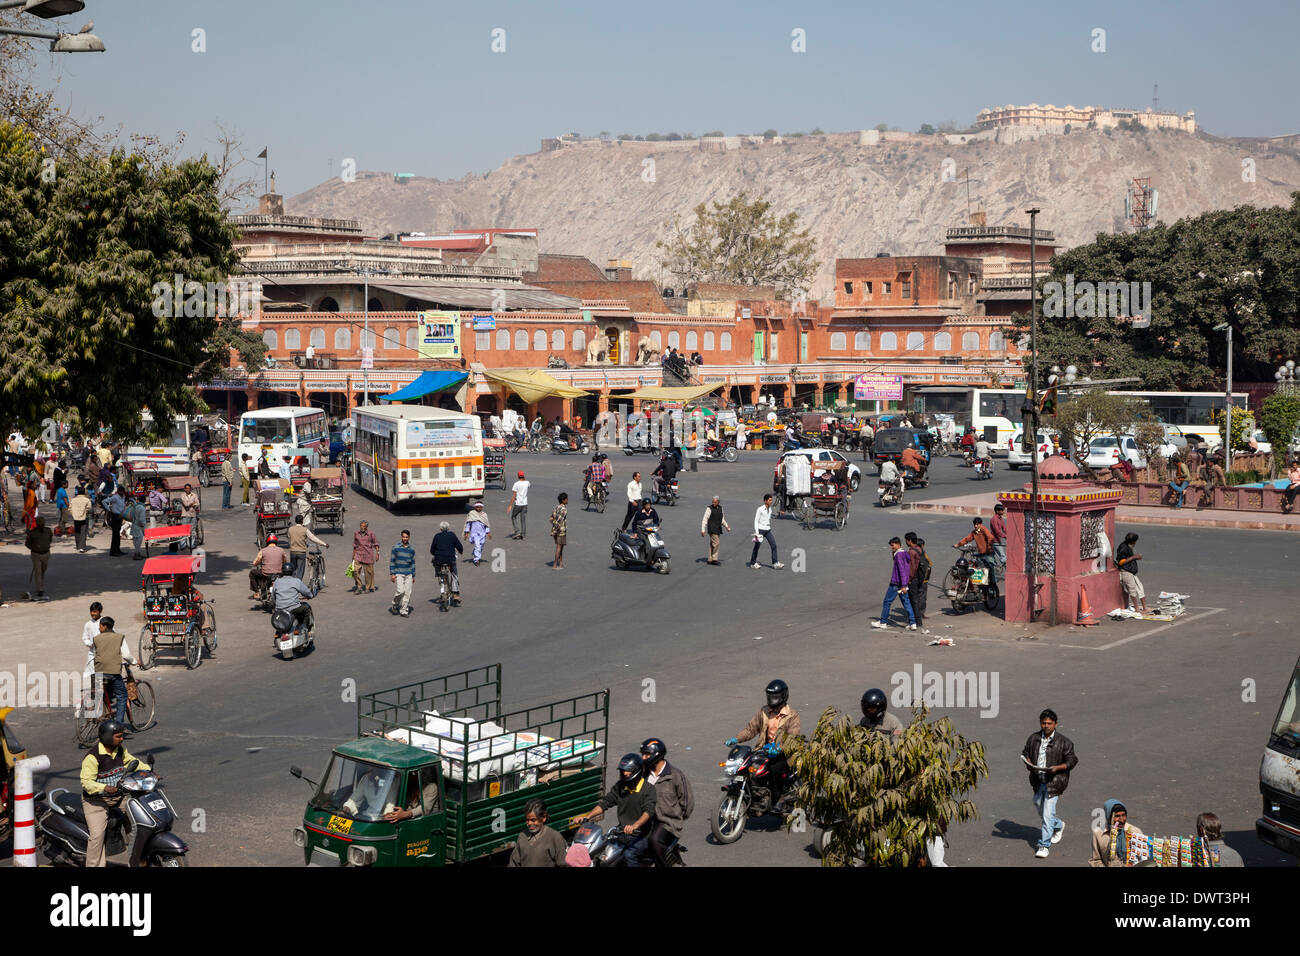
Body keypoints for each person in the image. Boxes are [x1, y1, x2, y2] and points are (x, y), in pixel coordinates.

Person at [80, 720, 150, 867]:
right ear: (107, 737)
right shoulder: (93, 757)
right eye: (118, 736)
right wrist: (105, 788)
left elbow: (134, 762)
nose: (122, 739)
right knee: (97, 836)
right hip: (96, 802)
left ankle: (139, 860)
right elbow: (86, 782)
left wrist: (149, 772)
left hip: (119, 797)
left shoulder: (120, 750)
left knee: (137, 823)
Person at [573, 754, 657, 867]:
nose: (625, 773)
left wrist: (635, 826)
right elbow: (605, 803)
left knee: (629, 855)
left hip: (641, 834)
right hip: (621, 832)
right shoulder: (621, 786)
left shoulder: (648, 789)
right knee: (601, 853)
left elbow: (648, 811)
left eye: (628, 771)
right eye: (623, 770)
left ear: (637, 771)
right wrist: (587, 817)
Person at [1023, 708, 1078, 859]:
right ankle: (1059, 825)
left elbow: (1072, 760)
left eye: (1049, 723)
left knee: (1047, 815)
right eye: (1043, 723)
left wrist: (1058, 768)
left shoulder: (1064, 742)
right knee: (1040, 807)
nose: (1046, 726)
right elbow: (1026, 752)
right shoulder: (1033, 738)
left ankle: (1044, 845)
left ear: (1055, 724)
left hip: (1054, 783)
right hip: (1038, 780)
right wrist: (1028, 762)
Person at [641, 737, 694, 868]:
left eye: (646, 754)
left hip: (668, 822)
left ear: (656, 755)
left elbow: (687, 803)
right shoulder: (643, 774)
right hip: (646, 819)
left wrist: (677, 818)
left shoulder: (675, 775)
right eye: (642, 754)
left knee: (654, 841)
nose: (643, 757)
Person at [92, 617, 136, 724]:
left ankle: (104, 714)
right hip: (112, 672)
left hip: (98, 672)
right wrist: (135, 662)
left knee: (103, 694)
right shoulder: (119, 637)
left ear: (105, 626)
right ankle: (118, 725)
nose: (99, 628)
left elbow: (95, 654)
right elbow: (126, 655)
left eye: (100, 626)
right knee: (122, 696)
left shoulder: (96, 638)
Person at [872, 536, 917, 630]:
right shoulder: (904, 553)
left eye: (892, 545)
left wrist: (903, 585)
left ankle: (883, 622)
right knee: (906, 603)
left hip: (896, 583)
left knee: (887, 602)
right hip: (903, 583)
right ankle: (913, 623)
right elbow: (906, 569)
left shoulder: (898, 555)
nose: (891, 547)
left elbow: (901, 570)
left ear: (897, 544)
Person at [508, 798, 568, 867]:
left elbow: (563, 863)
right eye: (527, 820)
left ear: (543, 818)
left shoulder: (554, 837)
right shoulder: (522, 836)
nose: (529, 823)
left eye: (533, 820)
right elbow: (513, 863)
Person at [1089, 799, 1144, 867]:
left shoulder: (1136, 832)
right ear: (1109, 816)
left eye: (1123, 815)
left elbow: (1144, 858)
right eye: (1117, 816)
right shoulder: (1099, 835)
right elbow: (1095, 860)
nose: (1121, 820)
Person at [287, 513, 329, 581]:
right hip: (301, 552)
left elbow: (290, 538)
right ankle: (298, 584)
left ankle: (292, 584)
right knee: (300, 571)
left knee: (293, 570)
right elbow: (313, 538)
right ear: (302, 521)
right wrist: (324, 544)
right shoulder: (304, 530)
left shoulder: (290, 529)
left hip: (293, 552)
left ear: (295, 521)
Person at [954, 517, 998, 581]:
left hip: (988, 553)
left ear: (981, 524)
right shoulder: (974, 532)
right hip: (981, 553)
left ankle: (993, 586)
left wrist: (988, 549)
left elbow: (990, 538)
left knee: (990, 571)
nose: (975, 526)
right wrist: (958, 544)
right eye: (974, 524)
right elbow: (967, 539)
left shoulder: (984, 530)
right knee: (979, 569)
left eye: (977, 524)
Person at [430, 520, 463, 605]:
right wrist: (460, 551)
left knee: (439, 573)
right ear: (448, 528)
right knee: (454, 574)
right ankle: (455, 593)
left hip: (439, 560)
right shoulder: (452, 535)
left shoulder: (437, 536)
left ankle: (442, 590)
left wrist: (436, 553)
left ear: (440, 528)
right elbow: (459, 546)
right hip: (450, 560)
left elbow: (432, 550)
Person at [1115, 532, 1148, 614]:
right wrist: (1134, 557)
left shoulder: (1129, 546)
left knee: (1140, 588)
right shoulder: (1123, 548)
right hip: (1126, 571)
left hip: (1132, 571)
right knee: (1132, 589)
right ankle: (1137, 608)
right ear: (1133, 541)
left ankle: (1145, 608)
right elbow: (1121, 562)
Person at [749, 493, 783, 569]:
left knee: (773, 545)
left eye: (771, 500)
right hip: (760, 531)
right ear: (765, 501)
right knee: (757, 547)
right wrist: (757, 533)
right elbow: (756, 521)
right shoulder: (760, 509)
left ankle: (775, 563)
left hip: (768, 530)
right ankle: (753, 563)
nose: (771, 501)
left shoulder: (770, 509)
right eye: (770, 500)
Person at [386, 529, 416, 617]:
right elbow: (392, 561)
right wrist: (392, 574)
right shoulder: (396, 547)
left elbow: (413, 563)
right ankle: (395, 604)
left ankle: (404, 610)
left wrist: (413, 575)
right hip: (399, 573)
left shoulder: (411, 549)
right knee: (400, 591)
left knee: (407, 593)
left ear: (409, 537)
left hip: (409, 574)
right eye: (403, 537)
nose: (405, 538)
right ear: (401, 537)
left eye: (406, 537)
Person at [904, 532, 930, 627]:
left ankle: (917, 620)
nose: (906, 542)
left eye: (906, 540)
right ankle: (918, 617)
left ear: (910, 541)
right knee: (918, 597)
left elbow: (912, 567)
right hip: (921, 577)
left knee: (913, 599)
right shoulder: (920, 549)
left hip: (914, 578)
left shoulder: (911, 551)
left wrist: (909, 578)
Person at [250, 534, 288, 598]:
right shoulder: (281, 550)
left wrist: (255, 564)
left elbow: (257, 561)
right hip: (279, 573)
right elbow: (285, 561)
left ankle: (257, 593)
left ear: (267, 542)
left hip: (266, 573)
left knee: (252, 573)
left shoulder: (263, 550)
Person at [25, 515, 53, 598]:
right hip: (36, 554)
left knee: (42, 571)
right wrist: (34, 548)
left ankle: (40, 585)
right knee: (38, 572)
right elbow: (27, 544)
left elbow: (50, 539)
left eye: (42, 523)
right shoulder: (32, 532)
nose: (41, 525)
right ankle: (40, 589)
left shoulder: (48, 531)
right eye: (40, 524)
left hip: (46, 553)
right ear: (37, 524)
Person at [701, 495, 730, 565]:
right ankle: (714, 559)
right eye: (712, 502)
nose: (713, 503)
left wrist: (726, 526)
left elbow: (722, 519)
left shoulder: (721, 508)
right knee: (716, 543)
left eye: (715, 502)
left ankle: (710, 559)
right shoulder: (709, 509)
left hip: (718, 528)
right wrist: (703, 529)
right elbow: (704, 519)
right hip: (712, 528)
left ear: (718, 502)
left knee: (712, 544)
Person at [351, 520, 379, 593]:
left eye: (364, 526)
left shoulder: (371, 534)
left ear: (367, 527)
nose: (362, 527)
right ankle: (359, 586)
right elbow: (355, 544)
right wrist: (353, 555)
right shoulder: (356, 534)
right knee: (355, 571)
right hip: (358, 555)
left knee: (368, 573)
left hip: (368, 555)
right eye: (361, 526)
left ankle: (367, 587)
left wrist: (377, 553)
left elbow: (376, 544)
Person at [102, 485, 126, 556]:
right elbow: (104, 501)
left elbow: (123, 505)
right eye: (121, 491)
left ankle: (118, 550)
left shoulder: (123, 497)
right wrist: (109, 510)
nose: (122, 493)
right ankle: (113, 552)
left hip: (120, 516)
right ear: (118, 491)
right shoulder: (115, 497)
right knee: (115, 535)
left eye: (123, 492)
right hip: (115, 516)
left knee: (118, 534)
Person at [81, 602, 104, 677]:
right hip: (93, 653)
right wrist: (90, 644)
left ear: (100, 611)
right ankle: (96, 688)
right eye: (91, 611)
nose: (92, 613)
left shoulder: (105, 622)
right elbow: (85, 638)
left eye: (94, 611)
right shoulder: (88, 624)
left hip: (105, 653)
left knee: (104, 675)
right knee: (94, 674)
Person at [123, 494, 148, 561]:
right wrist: (144, 527)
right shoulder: (142, 508)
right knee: (139, 541)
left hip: (134, 525)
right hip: (139, 527)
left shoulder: (135, 506)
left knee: (135, 541)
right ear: (145, 501)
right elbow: (142, 520)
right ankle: (136, 554)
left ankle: (137, 553)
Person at [508, 471, 530, 540]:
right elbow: (528, 486)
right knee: (523, 519)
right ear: (523, 476)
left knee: (513, 517)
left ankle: (517, 531)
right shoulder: (527, 483)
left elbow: (514, 495)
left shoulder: (516, 484)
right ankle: (523, 534)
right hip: (525, 504)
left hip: (518, 504)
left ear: (518, 476)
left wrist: (510, 506)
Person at [550, 493, 568, 570]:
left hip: (555, 529)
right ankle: (555, 564)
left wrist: (553, 528)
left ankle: (560, 563)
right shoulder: (564, 509)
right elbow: (560, 521)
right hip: (560, 531)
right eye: (566, 499)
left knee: (560, 547)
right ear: (563, 500)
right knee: (559, 547)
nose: (567, 500)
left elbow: (551, 518)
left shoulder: (555, 507)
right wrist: (556, 529)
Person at [990, 503, 1008, 568]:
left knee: (998, 555)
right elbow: (997, 531)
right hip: (994, 540)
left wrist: (1009, 535)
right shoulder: (994, 519)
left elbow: (1004, 529)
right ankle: (1008, 570)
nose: (1003, 512)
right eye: (1002, 510)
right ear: (997, 511)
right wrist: (1005, 536)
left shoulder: (1000, 519)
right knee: (1002, 556)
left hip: (998, 540)